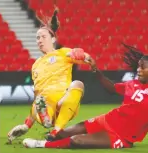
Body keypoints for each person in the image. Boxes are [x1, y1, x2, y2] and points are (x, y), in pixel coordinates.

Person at [22, 44, 148, 149]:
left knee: (77, 141)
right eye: (138, 66)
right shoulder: (131, 84)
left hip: (122, 136)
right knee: (61, 132)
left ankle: (41, 144)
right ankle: (48, 127)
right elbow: (111, 88)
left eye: (142, 67)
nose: (138, 70)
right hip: (108, 119)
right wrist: (96, 70)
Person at [7, 8, 92, 143]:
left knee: (78, 84)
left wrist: (83, 55)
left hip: (64, 102)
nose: (39, 40)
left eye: (43, 37)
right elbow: (37, 98)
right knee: (39, 101)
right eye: (37, 38)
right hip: (46, 105)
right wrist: (26, 125)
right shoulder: (36, 65)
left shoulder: (63, 53)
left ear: (53, 39)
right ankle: (48, 121)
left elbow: (87, 59)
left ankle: (55, 129)